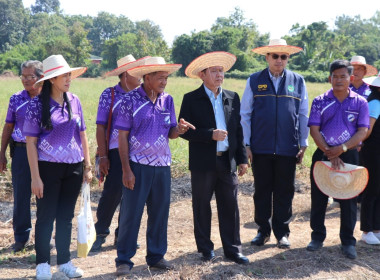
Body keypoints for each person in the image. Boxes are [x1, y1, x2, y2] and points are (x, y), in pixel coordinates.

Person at [114, 57, 194, 276]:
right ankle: (124, 259)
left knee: (160, 212)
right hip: (137, 166)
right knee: (132, 213)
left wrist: (180, 129)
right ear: (147, 78)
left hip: (162, 166)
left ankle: (156, 256)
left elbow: (171, 133)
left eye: (166, 78)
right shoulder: (129, 100)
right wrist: (126, 170)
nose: (164, 82)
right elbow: (122, 137)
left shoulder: (167, 100)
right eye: (160, 78)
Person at [23, 54, 92, 279]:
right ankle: (42, 263)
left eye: (69, 74)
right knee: (46, 216)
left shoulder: (75, 100)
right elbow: (31, 143)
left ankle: (64, 262)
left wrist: (87, 166)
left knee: (65, 216)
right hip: (47, 168)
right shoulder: (35, 105)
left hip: (73, 168)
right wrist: (35, 177)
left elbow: (82, 135)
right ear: (52, 79)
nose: (69, 78)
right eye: (64, 75)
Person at [178, 51, 249, 264]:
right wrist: (210, 134)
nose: (219, 75)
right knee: (201, 206)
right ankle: (205, 249)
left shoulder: (232, 97)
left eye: (221, 71)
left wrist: (242, 158)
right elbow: (185, 132)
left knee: (230, 206)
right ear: (202, 74)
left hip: (227, 161)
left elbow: (237, 130)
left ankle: (233, 249)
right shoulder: (191, 99)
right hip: (202, 163)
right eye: (214, 71)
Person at [240, 38, 309, 249]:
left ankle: (282, 233)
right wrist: (247, 144)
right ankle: (262, 231)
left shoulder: (298, 81)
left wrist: (303, 142)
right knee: (262, 190)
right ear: (267, 57)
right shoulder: (254, 80)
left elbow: (303, 113)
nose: (279, 60)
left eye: (284, 56)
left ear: (288, 58)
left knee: (285, 190)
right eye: (275, 56)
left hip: (288, 147)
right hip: (260, 147)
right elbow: (245, 114)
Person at [306, 60, 369, 259]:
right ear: (329, 78)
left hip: (349, 154)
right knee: (319, 197)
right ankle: (317, 237)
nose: (339, 80)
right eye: (335, 76)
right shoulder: (319, 100)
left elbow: (362, 131)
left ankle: (348, 242)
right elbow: (314, 129)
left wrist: (341, 149)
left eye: (343, 76)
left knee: (348, 200)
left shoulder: (360, 102)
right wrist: (328, 151)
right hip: (323, 152)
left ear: (351, 78)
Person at [91, 54, 149, 252]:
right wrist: (104, 155)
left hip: (139, 152)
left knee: (131, 194)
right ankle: (100, 232)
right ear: (126, 75)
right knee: (113, 192)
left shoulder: (143, 94)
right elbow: (101, 127)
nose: (140, 78)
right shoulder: (110, 95)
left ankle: (123, 235)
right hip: (115, 152)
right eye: (136, 73)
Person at [0, 60, 43, 252]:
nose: (25, 80)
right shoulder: (16, 99)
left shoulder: (50, 99)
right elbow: (8, 126)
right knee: (21, 195)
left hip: (45, 153)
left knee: (45, 196)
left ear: (41, 77)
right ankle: (21, 237)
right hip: (21, 152)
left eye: (30, 76)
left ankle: (43, 236)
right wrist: (2, 154)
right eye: (23, 76)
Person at [360, 72, 380, 245]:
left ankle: (376, 228)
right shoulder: (375, 102)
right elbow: (367, 130)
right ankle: (366, 230)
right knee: (372, 190)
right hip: (373, 152)